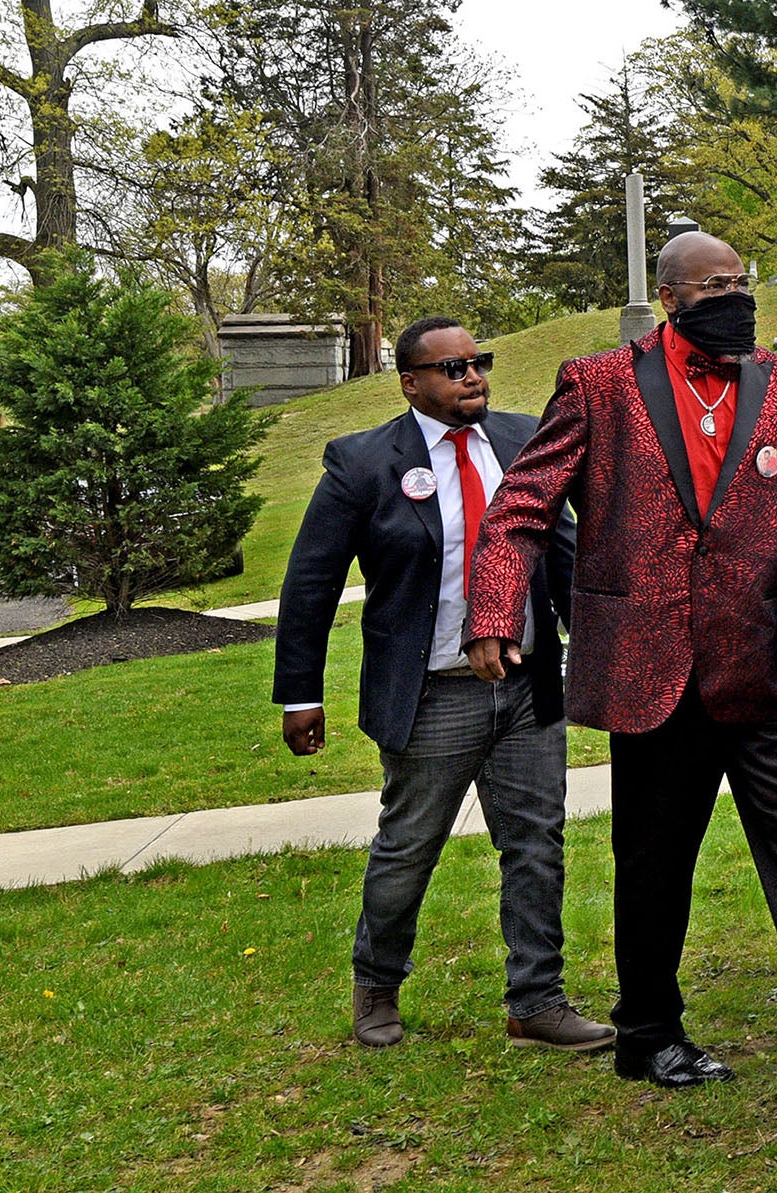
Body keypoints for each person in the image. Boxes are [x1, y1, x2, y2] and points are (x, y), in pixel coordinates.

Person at [462, 232, 777, 1098]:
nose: (736, 297)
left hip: (758, 667)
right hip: (648, 671)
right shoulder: (599, 383)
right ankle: (648, 1033)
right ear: (669, 298)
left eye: (743, 283)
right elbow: (518, 510)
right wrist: (496, 612)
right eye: (715, 285)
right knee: (653, 861)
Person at [273, 318, 605, 1053]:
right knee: (409, 845)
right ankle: (377, 984)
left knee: (537, 843)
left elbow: (569, 553)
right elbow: (311, 581)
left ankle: (537, 999)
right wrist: (301, 691)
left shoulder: (525, 440)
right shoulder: (364, 462)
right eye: (451, 367)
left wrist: (605, 648)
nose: (472, 376)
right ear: (410, 382)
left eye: (478, 362)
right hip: (433, 695)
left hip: (526, 686)